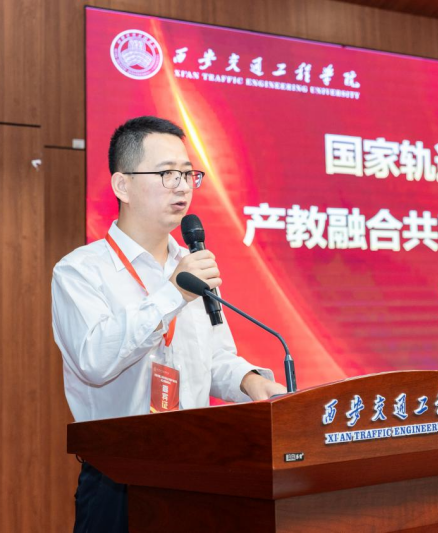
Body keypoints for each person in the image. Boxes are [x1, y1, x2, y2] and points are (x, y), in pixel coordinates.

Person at [51, 116, 287, 532]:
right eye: (166, 174)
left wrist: (251, 382)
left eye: (188, 174)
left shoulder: (191, 264)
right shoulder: (80, 272)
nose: (182, 186)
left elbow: (214, 358)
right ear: (122, 185)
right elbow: (94, 361)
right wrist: (173, 293)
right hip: (119, 480)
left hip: (196, 471)